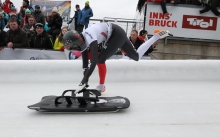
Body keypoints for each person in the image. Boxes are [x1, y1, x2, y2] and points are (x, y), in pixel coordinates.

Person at [62, 22, 172, 93]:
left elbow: (94, 59)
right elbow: (85, 63)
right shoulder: (82, 41)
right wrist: (85, 81)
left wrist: (83, 81)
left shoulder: (90, 36)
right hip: (115, 33)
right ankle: (157, 35)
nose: (76, 49)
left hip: (116, 33)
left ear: (77, 40)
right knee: (137, 56)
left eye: (74, 47)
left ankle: (101, 86)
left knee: (100, 59)